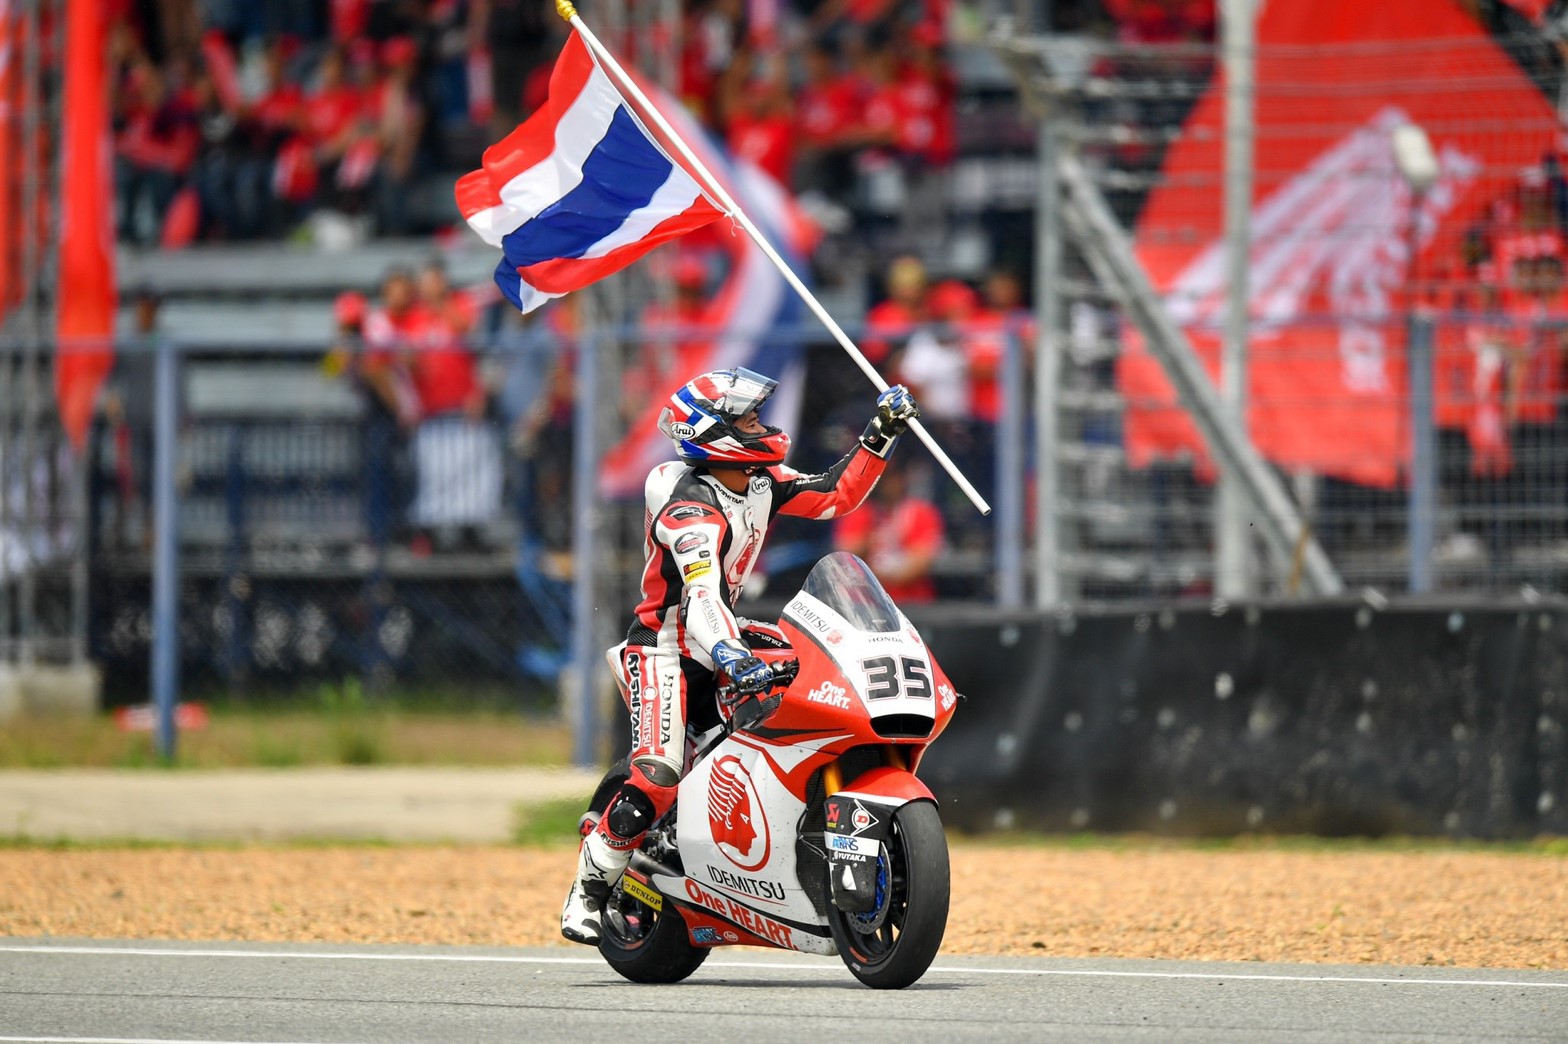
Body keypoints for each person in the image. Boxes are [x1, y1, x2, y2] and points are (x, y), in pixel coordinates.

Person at [560, 367, 921, 944]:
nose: (761, 426)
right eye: (748, 419)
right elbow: (701, 598)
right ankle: (588, 888)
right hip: (668, 647)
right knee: (658, 774)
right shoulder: (689, 509)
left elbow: (835, 494)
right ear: (715, 434)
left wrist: (881, 431)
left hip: (724, 631)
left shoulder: (758, 480)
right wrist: (731, 653)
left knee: (813, 665)